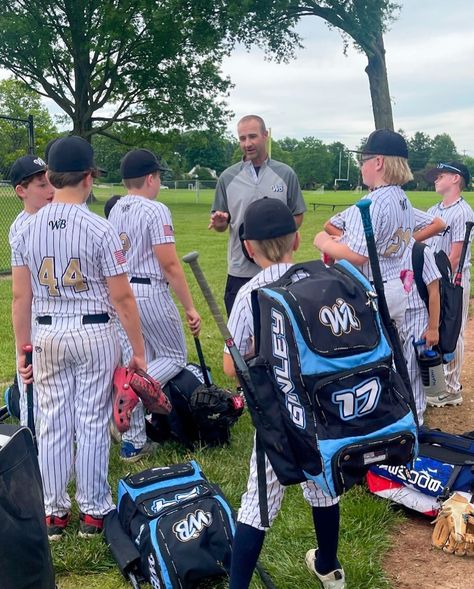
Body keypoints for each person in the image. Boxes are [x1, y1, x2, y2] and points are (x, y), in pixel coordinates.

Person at [11, 136, 146, 540]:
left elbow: (21, 295)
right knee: (90, 420)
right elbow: (122, 296)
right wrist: (137, 350)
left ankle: (53, 512)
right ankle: (92, 510)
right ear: (89, 177)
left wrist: (23, 346)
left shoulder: (25, 229)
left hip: (47, 330)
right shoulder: (101, 228)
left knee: (51, 421)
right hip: (93, 330)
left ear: (51, 177)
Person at [224, 198, 344, 589]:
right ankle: (328, 565)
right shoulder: (320, 279)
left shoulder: (250, 293)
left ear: (248, 247)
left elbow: (231, 366)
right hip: (324, 405)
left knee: (259, 500)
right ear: (295, 239)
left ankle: (238, 585)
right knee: (323, 483)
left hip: (279, 411)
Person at [108, 148, 201, 461]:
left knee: (139, 359)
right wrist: (190, 307)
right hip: (149, 291)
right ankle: (130, 391)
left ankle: (133, 442)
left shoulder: (116, 208)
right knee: (174, 357)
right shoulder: (155, 209)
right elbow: (170, 264)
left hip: (121, 290)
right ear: (150, 178)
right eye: (158, 176)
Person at [314, 129, 415, 330]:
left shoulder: (373, 201)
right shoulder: (403, 198)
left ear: (378, 162)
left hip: (371, 288)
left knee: (370, 353)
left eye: (363, 161)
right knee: (393, 349)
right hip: (395, 286)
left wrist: (323, 241)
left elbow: (358, 256)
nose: (361, 167)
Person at [209, 114, 306, 315]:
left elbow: (297, 216)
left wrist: (273, 241)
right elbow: (220, 226)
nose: (247, 143)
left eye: (252, 137)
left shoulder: (285, 174)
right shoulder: (227, 177)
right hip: (240, 270)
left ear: (265, 135)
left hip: (277, 269)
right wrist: (220, 222)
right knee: (241, 338)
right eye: (242, 138)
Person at [7, 155, 54, 426]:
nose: (50, 189)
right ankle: (30, 435)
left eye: (50, 182)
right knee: (30, 379)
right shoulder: (22, 227)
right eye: (41, 184)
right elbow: (21, 295)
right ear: (21, 191)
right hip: (37, 313)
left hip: (61, 313)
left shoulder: (58, 216)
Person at [425, 162, 474, 407]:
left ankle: (452, 389)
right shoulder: (435, 208)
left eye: (440, 175)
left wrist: (438, 278)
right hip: (434, 277)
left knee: (453, 331)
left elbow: (456, 255)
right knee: (436, 327)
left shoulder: (462, 211)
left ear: (455, 179)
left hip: (453, 279)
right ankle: (436, 383)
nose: (435, 179)